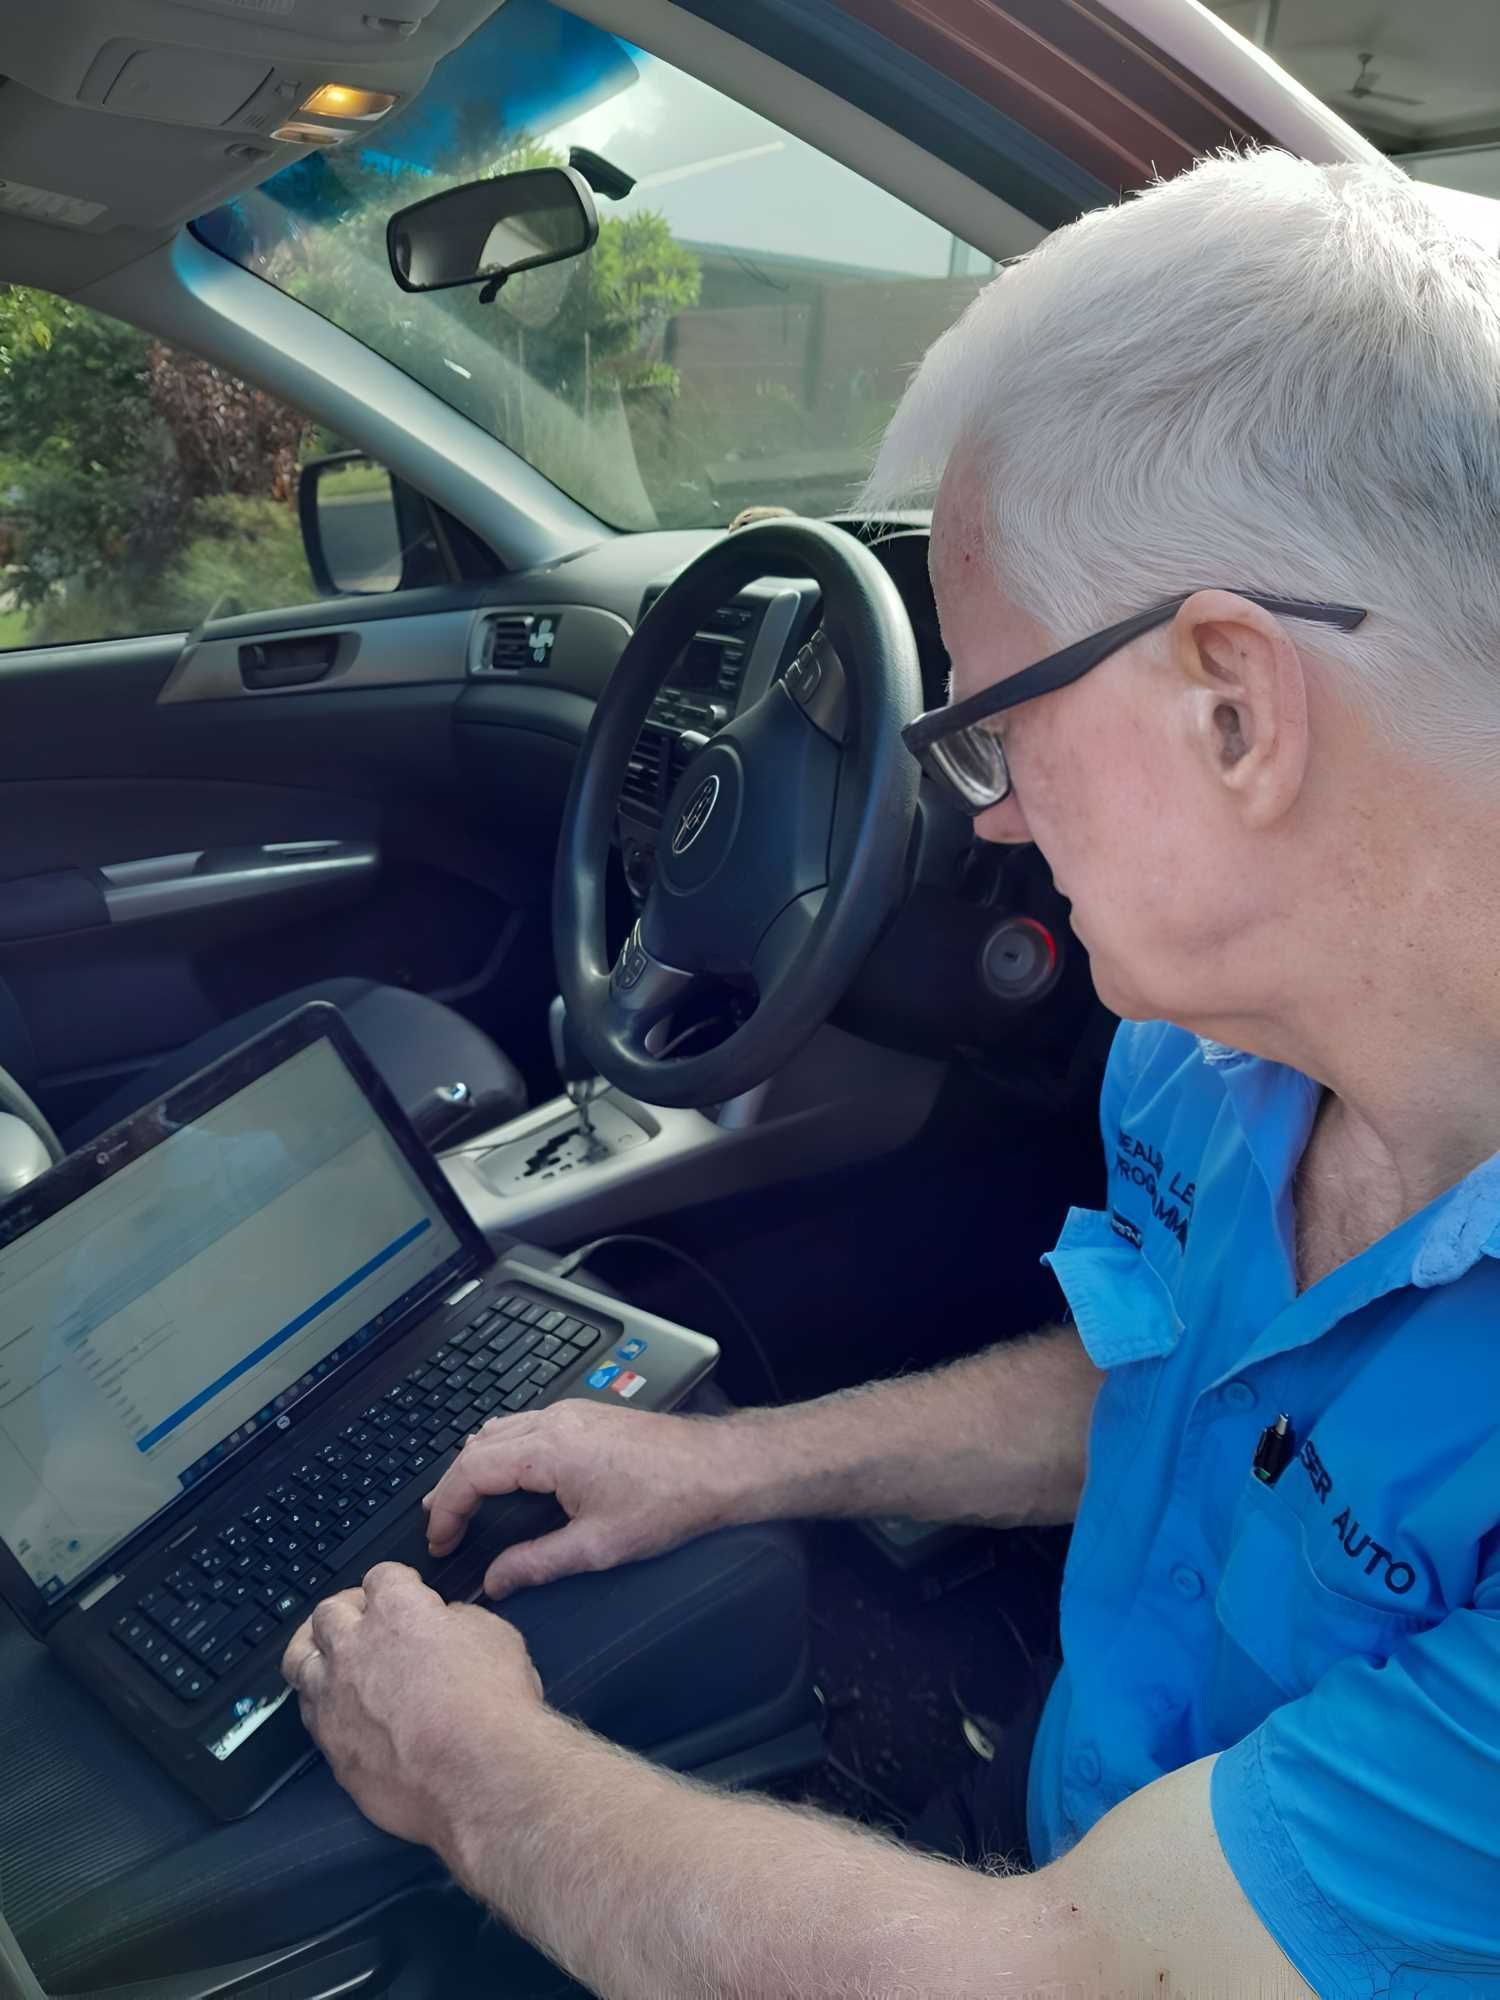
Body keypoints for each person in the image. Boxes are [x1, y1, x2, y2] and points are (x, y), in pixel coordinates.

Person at [282, 149, 1500, 1997]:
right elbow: (1165, 1387)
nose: (984, 816)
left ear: (1235, 708)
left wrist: (465, 1767)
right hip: (1091, 1824)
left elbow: (1069, 1982)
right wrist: (728, 1471)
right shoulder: (1201, 1052)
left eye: (997, 724)